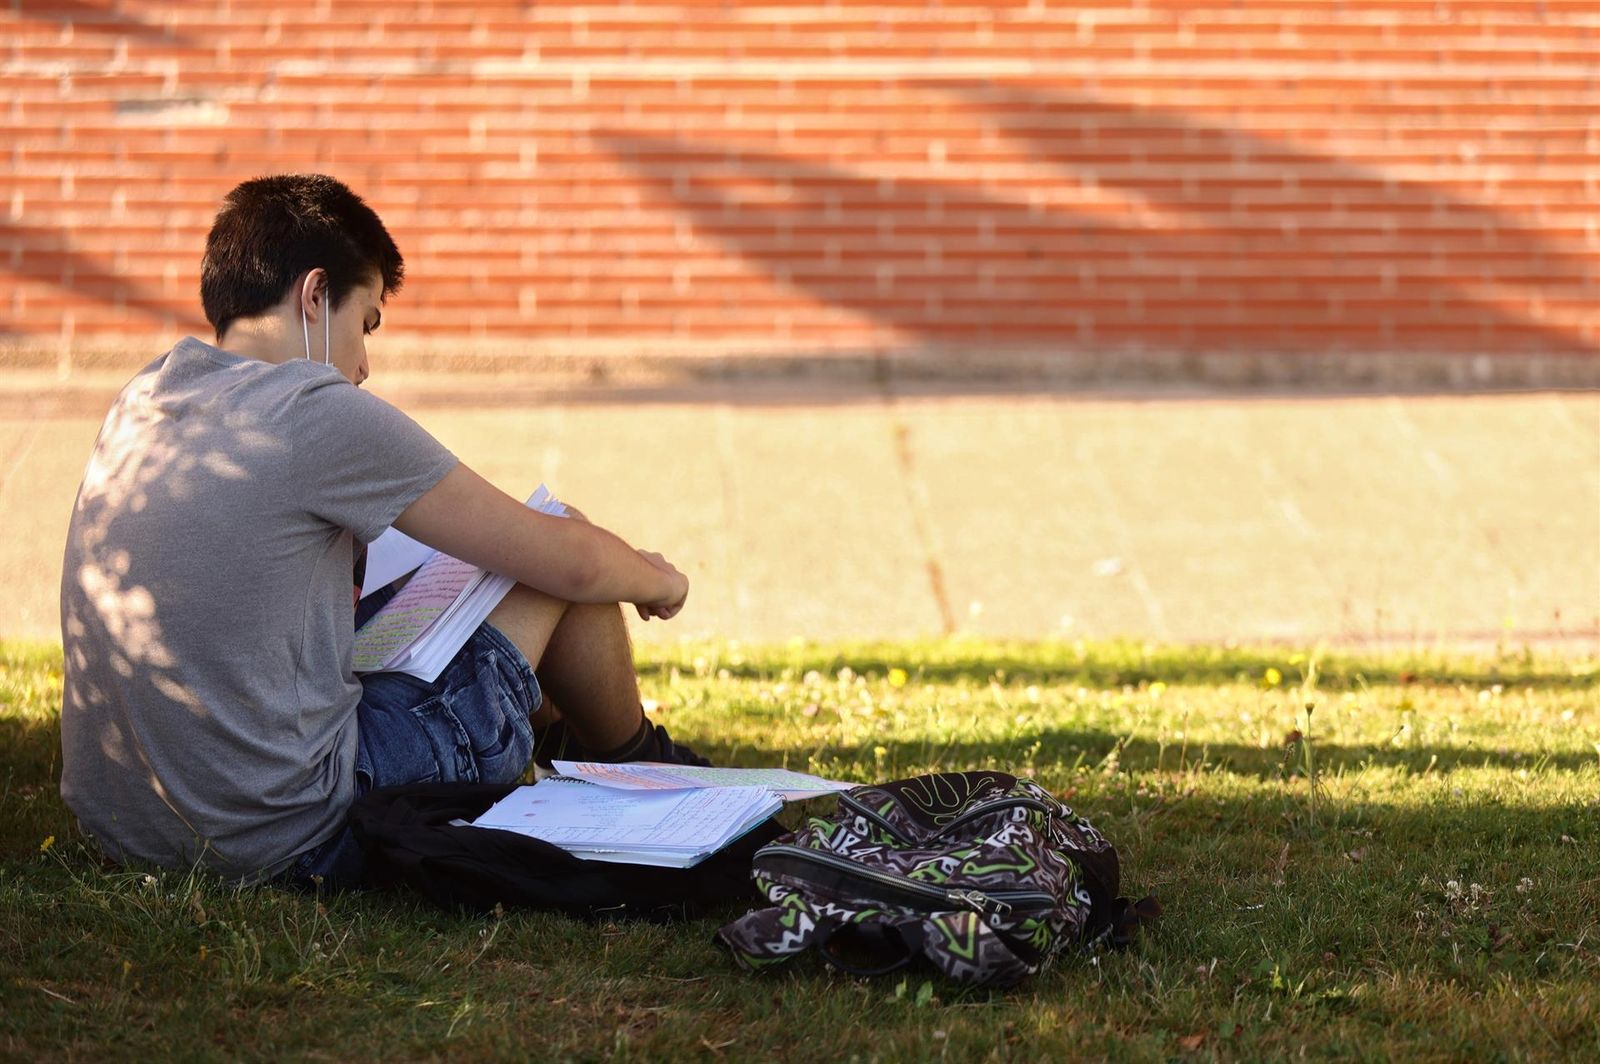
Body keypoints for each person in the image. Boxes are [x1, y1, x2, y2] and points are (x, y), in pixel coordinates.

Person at [58, 173, 707, 891]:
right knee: (564, 546)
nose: (364, 367)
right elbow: (572, 564)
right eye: (364, 324)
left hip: (127, 829)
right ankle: (649, 774)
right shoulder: (314, 411)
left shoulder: (144, 398)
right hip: (290, 834)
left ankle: (585, 751)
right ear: (313, 296)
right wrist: (660, 578)